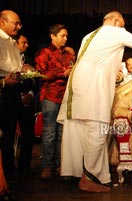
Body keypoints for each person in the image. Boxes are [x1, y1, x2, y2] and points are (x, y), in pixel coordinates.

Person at [57, 11, 132, 193]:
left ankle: (100, 177)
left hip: (79, 88)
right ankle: (87, 179)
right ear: (116, 21)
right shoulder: (114, 31)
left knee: (86, 132)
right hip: (92, 89)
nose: (123, 29)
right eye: (123, 25)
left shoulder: (89, 36)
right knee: (97, 133)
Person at [35, 24, 75, 181]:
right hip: (50, 96)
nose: (65, 38)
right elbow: (40, 74)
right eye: (62, 35)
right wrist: (62, 73)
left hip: (65, 97)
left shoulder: (68, 55)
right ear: (52, 36)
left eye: (66, 36)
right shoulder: (44, 53)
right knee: (50, 132)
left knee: (62, 134)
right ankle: (47, 166)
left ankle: (61, 165)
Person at [0, 9, 26, 179]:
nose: (18, 26)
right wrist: (2, 82)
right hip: (2, 89)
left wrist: (24, 71)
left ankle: (8, 174)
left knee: (9, 136)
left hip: (13, 91)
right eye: (15, 23)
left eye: (19, 23)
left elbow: (15, 67)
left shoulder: (12, 42)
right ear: (2, 22)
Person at [15, 33, 37, 174]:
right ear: (15, 44)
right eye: (24, 43)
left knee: (28, 135)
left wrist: (30, 94)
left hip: (27, 103)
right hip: (11, 101)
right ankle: (8, 168)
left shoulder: (29, 61)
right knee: (9, 135)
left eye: (28, 42)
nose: (27, 45)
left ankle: (25, 167)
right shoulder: (5, 60)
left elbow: (36, 82)